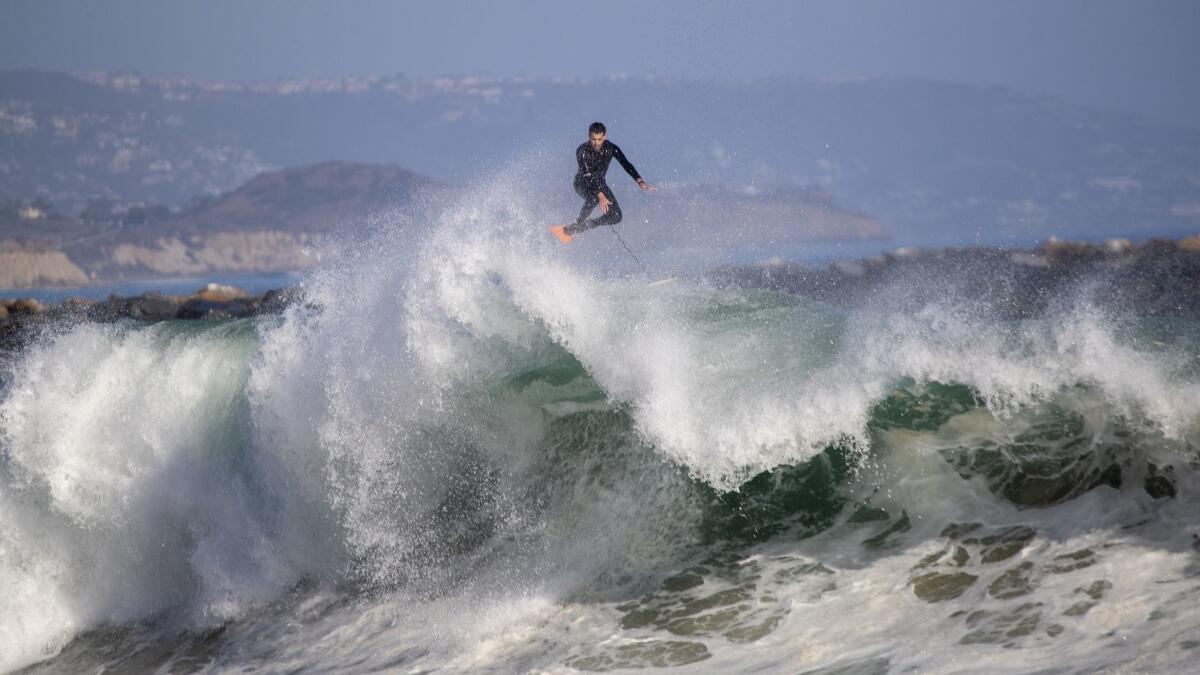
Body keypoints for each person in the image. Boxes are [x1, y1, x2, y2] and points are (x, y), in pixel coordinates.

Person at [549, 122, 655, 243]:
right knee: (594, 198)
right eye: (593, 139)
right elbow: (588, 174)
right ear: (589, 136)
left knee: (616, 216)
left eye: (599, 139)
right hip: (582, 182)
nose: (596, 143)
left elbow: (625, 163)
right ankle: (577, 223)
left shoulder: (611, 148)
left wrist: (640, 181)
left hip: (599, 183)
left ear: (604, 137)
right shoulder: (582, 150)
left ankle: (578, 227)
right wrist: (600, 195)